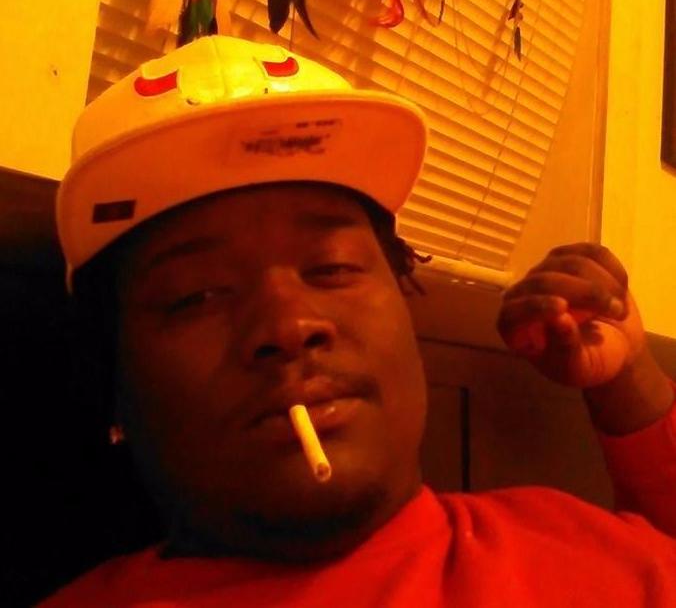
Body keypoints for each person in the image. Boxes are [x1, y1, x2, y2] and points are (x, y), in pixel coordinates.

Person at [40, 36, 676, 606]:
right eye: (196, 295)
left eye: (332, 267)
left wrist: (631, 386)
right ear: (115, 381)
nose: (289, 325)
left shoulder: (591, 559)